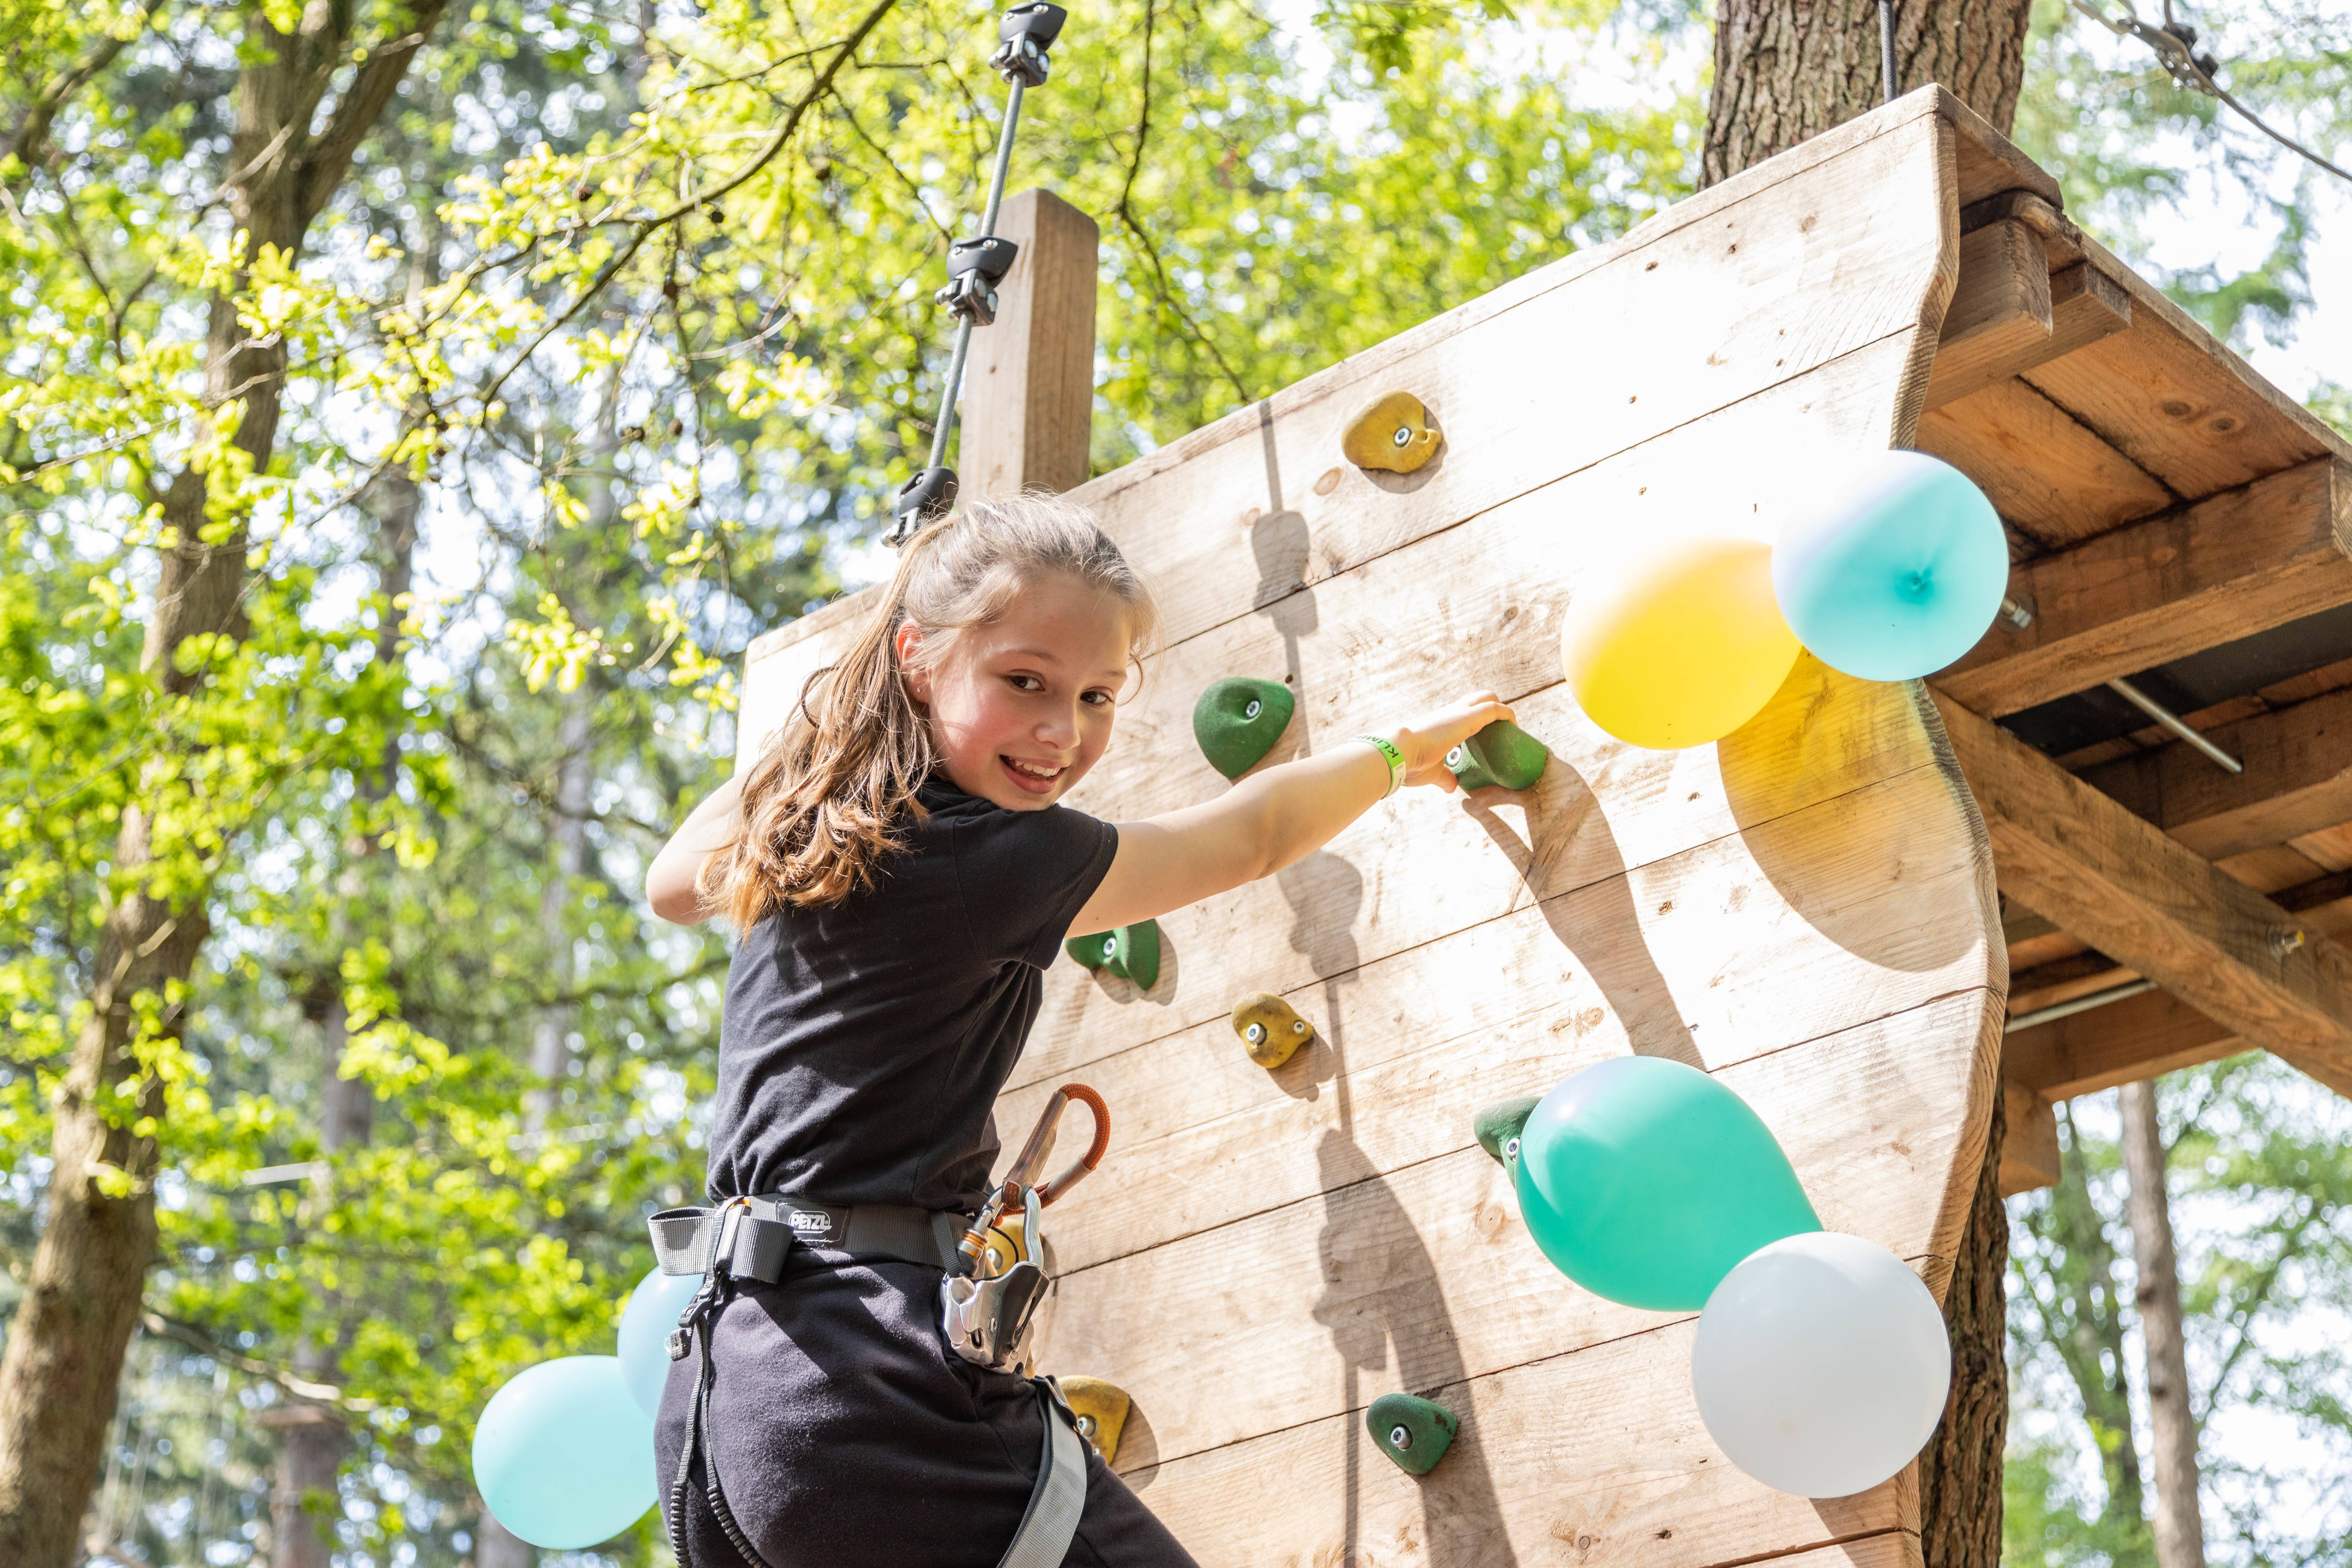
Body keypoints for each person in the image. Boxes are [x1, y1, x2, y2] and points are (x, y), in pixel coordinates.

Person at [645, 492, 1514, 1568]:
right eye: (1025, 683)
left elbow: (669, 881)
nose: (1063, 733)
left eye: (1098, 696)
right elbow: (1249, 838)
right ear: (922, 659)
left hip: (725, 1411)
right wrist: (1392, 753)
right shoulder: (997, 857)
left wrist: (854, 709)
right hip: (868, 1397)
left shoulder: (804, 836)